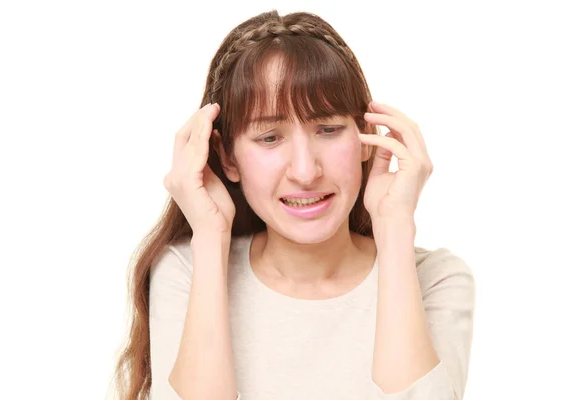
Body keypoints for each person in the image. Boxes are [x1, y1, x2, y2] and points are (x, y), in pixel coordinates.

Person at [112, 9, 475, 400]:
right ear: (227, 157)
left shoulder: (436, 278)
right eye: (269, 138)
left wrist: (396, 227)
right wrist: (209, 235)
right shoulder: (186, 269)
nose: (305, 171)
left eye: (329, 129)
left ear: (366, 135)